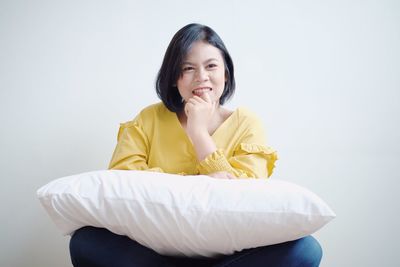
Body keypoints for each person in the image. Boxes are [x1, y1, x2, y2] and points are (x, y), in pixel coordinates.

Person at [69, 23, 322, 267]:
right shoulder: (148, 119)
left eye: (211, 66)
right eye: (188, 68)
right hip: (152, 253)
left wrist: (199, 133)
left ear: (225, 73)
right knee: (85, 242)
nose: (201, 77)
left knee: (305, 250)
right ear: (173, 79)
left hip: (230, 256)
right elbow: (122, 183)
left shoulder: (247, 123)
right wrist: (203, 181)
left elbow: (243, 197)